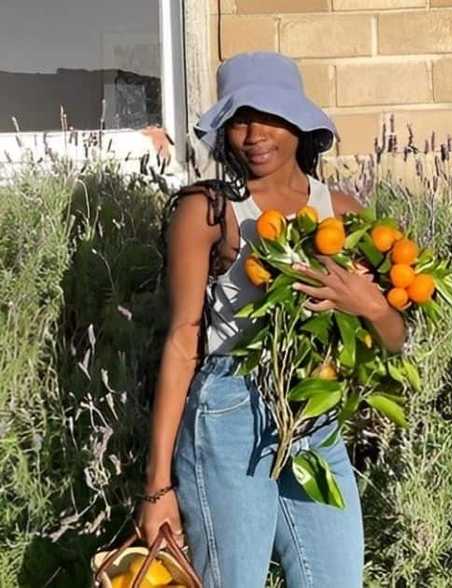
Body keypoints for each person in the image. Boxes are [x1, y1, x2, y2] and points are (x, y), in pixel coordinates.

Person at [135, 51, 406, 587]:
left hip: (314, 417)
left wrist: (369, 304)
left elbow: (394, 340)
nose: (253, 133)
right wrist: (156, 485)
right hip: (229, 414)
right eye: (239, 120)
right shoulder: (210, 210)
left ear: (298, 122)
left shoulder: (345, 212)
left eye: (268, 116)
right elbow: (184, 339)